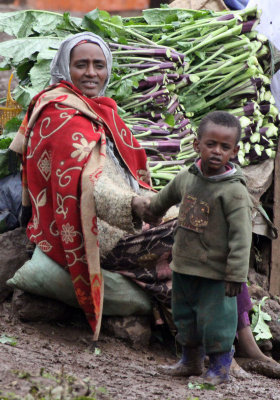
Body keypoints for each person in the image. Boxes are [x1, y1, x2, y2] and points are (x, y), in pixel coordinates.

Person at [9, 32, 275, 377]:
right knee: (201, 237)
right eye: (81, 65)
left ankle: (243, 348)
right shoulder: (59, 115)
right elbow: (87, 188)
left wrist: (155, 204)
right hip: (91, 231)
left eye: (98, 65)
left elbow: (128, 171)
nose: (91, 73)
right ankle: (225, 354)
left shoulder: (100, 109)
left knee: (207, 232)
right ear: (65, 68)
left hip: (128, 219)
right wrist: (137, 205)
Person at [142, 111, 253, 385]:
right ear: (197, 145)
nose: (216, 151)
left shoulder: (234, 192)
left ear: (235, 151)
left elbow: (242, 237)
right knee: (185, 316)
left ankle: (220, 368)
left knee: (216, 322)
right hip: (184, 265)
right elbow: (164, 199)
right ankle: (190, 361)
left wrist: (236, 274)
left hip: (217, 275)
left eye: (225, 147)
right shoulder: (187, 178)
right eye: (210, 144)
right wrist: (150, 213)